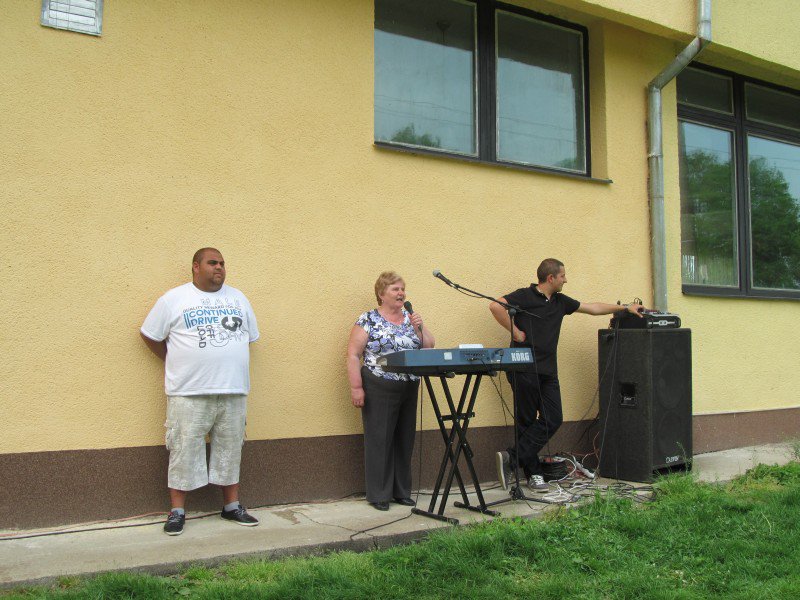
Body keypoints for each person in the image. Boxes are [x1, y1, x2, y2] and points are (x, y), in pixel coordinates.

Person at [490, 258, 644, 493]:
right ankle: (534, 475)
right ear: (550, 278)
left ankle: (512, 457)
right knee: (526, 422)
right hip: (523, 368)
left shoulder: (560, 302)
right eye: (562, 276)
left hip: (548, 371)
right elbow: (495, 306)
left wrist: (624, 308)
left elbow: (592, 308)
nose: (566, 280)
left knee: (554, 418)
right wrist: (516, 333)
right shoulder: (524, 296)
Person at [140, 248, 261, 535]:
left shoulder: (238, 298)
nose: (219, 267)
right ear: (196, 267)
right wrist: (175, 361)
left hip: (232, 389)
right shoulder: (174, 299)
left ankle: (231, 506)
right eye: (212, 263)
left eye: (222, 263)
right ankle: (177, 512)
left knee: (230, 449)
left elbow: (249, 338)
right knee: (183, 449)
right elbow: (150, 335)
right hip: (188, 391)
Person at [346, 271, 435, 511]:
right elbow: (353, 355)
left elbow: (429, 346)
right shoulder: (368, 319)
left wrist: (419, 327)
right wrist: (356, 387)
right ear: (381, 293)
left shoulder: (410, 319)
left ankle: (401, 491)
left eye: (402, 289)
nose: (401, 293)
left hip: (408, 385)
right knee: (380, 439)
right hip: (378, 384)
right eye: (395, 289)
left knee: (405, 439)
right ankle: (379, 494)